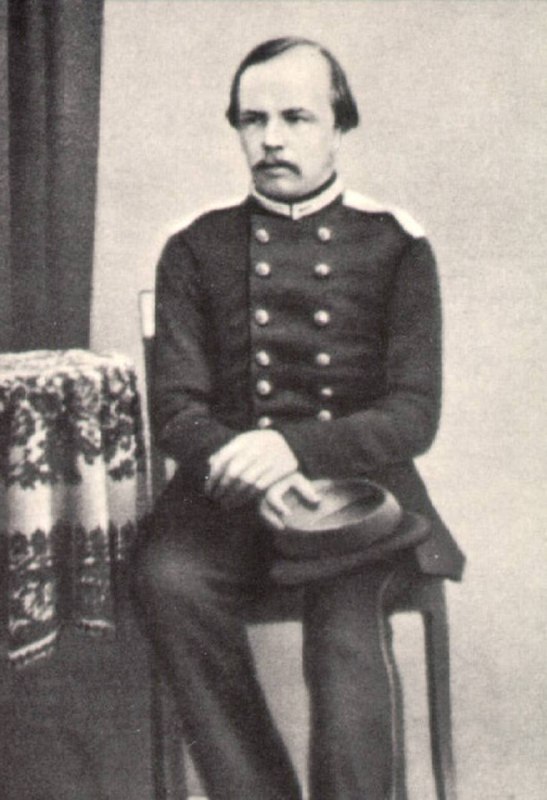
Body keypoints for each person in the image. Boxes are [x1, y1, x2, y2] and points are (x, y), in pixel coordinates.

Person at [133, 36, 465, 800]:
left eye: (296, 118)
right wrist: (247, 466)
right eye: (253, 120)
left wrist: (290, 449)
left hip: (358, 496)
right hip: (223, 495)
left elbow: (413, 415)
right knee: (167, 579)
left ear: (339, 125)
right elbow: (176, 409)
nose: (272, 139)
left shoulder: (395, 245)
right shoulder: (193, 247)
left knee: (346, 638)